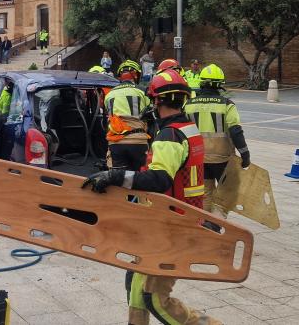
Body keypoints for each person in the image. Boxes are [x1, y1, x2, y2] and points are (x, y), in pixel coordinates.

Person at [82, 70, 214, 325]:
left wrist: (115, 177)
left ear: (157, 102)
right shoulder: (188, 129)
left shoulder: (170, 136)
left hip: (171, 224)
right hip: (176, 219)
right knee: (135, 286)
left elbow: (159, 180)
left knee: (153, 298)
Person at [183, 64, 250, 217]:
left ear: (201, 82)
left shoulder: (188, 105)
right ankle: (217, 222)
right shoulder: (227, 105)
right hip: (223, 159)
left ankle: (207, 223)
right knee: (226, 192)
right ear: (220, 85)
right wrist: (245, 155)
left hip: (199, 158)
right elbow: (235, 131)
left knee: (206, 192)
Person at [103, 60, 150, 171]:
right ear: (136, 75)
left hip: (116, 143)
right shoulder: (142, 91)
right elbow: (151, 113)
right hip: (138, 142)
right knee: (140, 177)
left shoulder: (109, 94)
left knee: (118, 179)